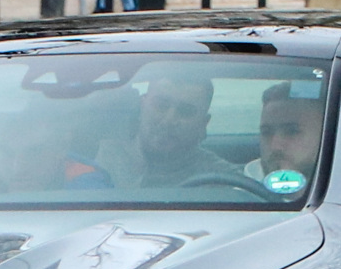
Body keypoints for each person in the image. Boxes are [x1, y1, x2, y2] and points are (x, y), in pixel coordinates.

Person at [97, 69, 243, 189]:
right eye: (161, 105)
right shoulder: (99, 158)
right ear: (142, 105)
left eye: (185, 111)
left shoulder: (225, 181)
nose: (169, 120)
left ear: (203, 124)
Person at [0, 111, 109, 202]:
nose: (18, 167)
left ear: (60, 149)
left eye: (34, 153)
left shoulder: (94, 197)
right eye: (6, 152)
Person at [241, 83, 325, 195]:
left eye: (292, 132)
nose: (275, 146)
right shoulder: (239, 192)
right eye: (267, 132)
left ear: (324, 135)